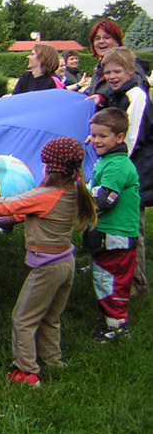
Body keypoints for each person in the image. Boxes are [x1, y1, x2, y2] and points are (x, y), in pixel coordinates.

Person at [0, 137, 97, 387]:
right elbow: (40, 213)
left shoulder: (45, 194)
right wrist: (11, 220)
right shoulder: (72, 190)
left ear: (50, 168)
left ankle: (26, 372)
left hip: (47, 268)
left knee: (23, 318)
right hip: (66, 264)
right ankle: (53, 361)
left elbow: (10, 203)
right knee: (51, 317)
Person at [92, 47, 153, 295]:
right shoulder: (118, 94)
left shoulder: (136, 96)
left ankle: (136, 282)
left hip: (135, 171)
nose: (112, 76)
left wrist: (112, 165)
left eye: (117, 71)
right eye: (107, 72)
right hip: (123, 169)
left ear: (130, 71)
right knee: (117, 222)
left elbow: (131, 137)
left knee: (131, 226)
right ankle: (116, 270)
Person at [85, 108, 140, 342]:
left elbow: (105, 200)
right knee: (104, 277)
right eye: (93, 135)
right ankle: (111, 317)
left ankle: (117, 325)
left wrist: (80, 202)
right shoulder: (108, 159)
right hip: (107, 232)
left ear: (119, 138)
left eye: (102, 136)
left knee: (111, 281)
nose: (96, 140)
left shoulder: (117, 165)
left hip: (117, 234)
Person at [82, 20, 150, 97]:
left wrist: (102, 98)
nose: (101, 41)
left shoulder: (130, 64)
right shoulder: (98, 68)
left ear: (117, 41)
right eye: (97, 38)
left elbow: (138, 90)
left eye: (106, 37)